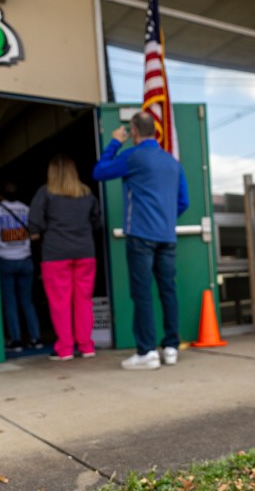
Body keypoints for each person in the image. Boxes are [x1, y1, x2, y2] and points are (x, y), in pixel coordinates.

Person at [92, 111, 189, 371]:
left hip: (141, 235)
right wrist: (166, 220)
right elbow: (184, 202)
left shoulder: (133, 156)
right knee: (168, 291)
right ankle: (170, 347)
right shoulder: (172, 162)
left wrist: (114, 142)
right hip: (167, 236)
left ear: (133, 131)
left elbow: (99, 172)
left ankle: (146, 352)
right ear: (155, 131)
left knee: (142, 293)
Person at [29, 155, 101, 361]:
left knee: (60, 302)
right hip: (85, 253)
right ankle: (87, 346)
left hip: (56, 254)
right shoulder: (87, 193)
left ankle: (65, 349)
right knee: (84, 300)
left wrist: (39, 233)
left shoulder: (45, 193)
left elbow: (35, 222)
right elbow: (97, 222)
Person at [0, 182, 42, 352]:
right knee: (27, 301)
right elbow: (35, 235)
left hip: (5, 259)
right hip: (25, 259)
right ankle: (36, 338)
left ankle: (16, 341)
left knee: (10, 303)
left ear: (1, 195)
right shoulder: (25, 209)